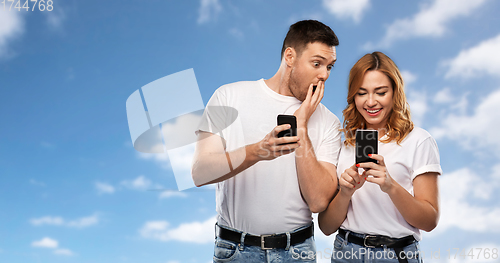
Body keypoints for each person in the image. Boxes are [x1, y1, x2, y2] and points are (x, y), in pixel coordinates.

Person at [192, 20, 341, 262]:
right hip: (235, 250)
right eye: (317, 64)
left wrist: (301, 125)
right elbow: (200, 173)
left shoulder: (328, 121)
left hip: (297, 252)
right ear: (290, 57)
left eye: (330, 67)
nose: (324, 74)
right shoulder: (228, 96)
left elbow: (318, 201)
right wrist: (258, 151)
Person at [318, 51, 441, 263]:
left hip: (396, 254)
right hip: (346, 252)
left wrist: (390, 185)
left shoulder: (419, 140)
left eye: (380, 92)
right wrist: (345, 192)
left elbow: (429, 221)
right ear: (353, 96)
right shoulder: (344, 144)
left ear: (395, 92)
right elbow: (326, 227)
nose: (371, 102)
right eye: (362, 92)